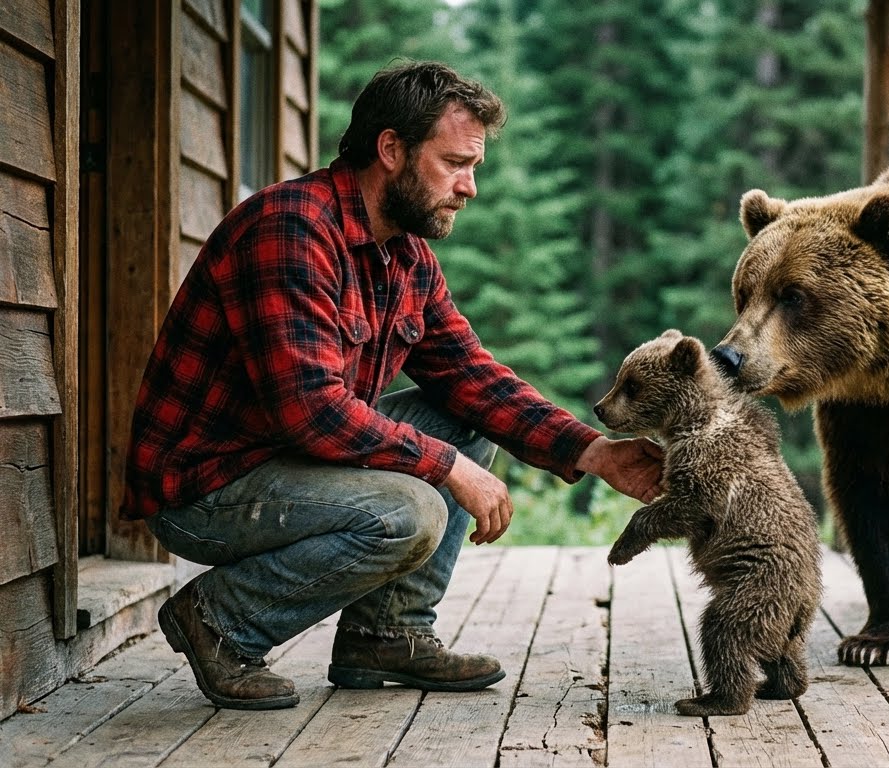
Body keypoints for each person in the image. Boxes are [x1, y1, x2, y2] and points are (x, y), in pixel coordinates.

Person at [119, 61, 664, 711]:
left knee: (463, 416)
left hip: (285, 463)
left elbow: (472, 379)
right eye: (455, 163)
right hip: (205, 487)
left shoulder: (405, 256)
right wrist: (448, 469)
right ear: (390, 149)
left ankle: (386, 635)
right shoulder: (290, 229)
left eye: (475, 168)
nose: (470, 188)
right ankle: (219, 622)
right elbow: (310, 411)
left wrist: (593, 452)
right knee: (410, 510)